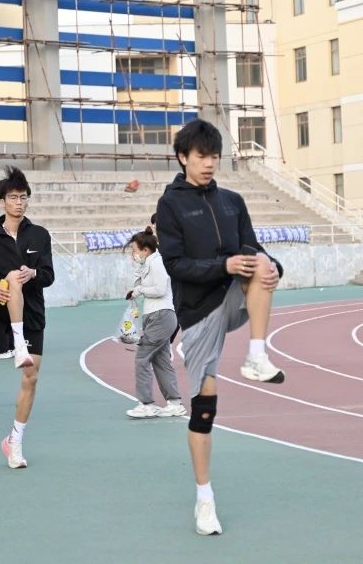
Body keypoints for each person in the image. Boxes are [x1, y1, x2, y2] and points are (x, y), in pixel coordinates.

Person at [156, 119, 284, 536]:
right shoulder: (170, 205)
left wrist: (273, 267)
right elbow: (176, 265)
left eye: (214, 156)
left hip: (231, 296)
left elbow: (252, 248)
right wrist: (223, 265)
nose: (209, 163)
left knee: (262, 263)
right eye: (201, 156)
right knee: (205, 405)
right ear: (183, 157)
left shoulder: (232, 201)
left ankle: (256, 356)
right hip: (196, 311)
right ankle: (204, 498)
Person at [0, 167, 55, 469]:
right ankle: (17, 343)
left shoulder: (40, 235)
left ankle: (14, 441)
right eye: (13, 198)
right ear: (2, 202)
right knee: (11, 276)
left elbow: (48, 275)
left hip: (33, 314)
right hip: (3, 313)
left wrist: (34, 273)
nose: (19, 203)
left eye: (23, 197)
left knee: (31, 378)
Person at [124, 227, 184, 420]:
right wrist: (137, 284)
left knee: (142, 358)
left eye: (134, 250)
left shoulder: (157, 263)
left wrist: (140, 289)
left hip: (161, 315)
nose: (133, 254)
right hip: (156, 316)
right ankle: (174, 403)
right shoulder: (148, 264)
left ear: (145, 250)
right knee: (161, 361)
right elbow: (140, 284)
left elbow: (159, 289)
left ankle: (146, 404)